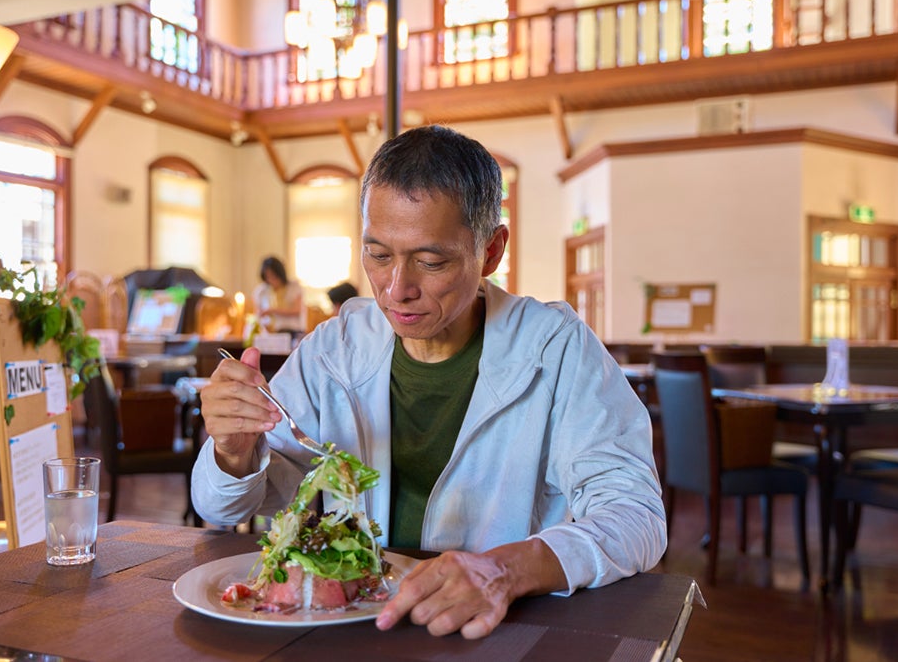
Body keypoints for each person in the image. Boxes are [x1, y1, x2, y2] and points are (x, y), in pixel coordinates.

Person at [192, 125, 666, 639]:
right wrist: (234, 453)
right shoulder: (335, 349)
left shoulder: (555, 349)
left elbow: (635, 514)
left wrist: (504, 570)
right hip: (356, 626)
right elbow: (223, 507)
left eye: (430, 260)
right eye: (378, 254)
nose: (397, 289)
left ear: (491, 251)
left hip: (493, 628)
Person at [252, 256, 304, 334]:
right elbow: (257, 313)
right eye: (268, 277)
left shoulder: (294, 287)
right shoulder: (261, 291)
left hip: (291, 331)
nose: (271, 280)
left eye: (274, 276)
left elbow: (296, 310)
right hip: (270, 332)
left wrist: (273, 310)